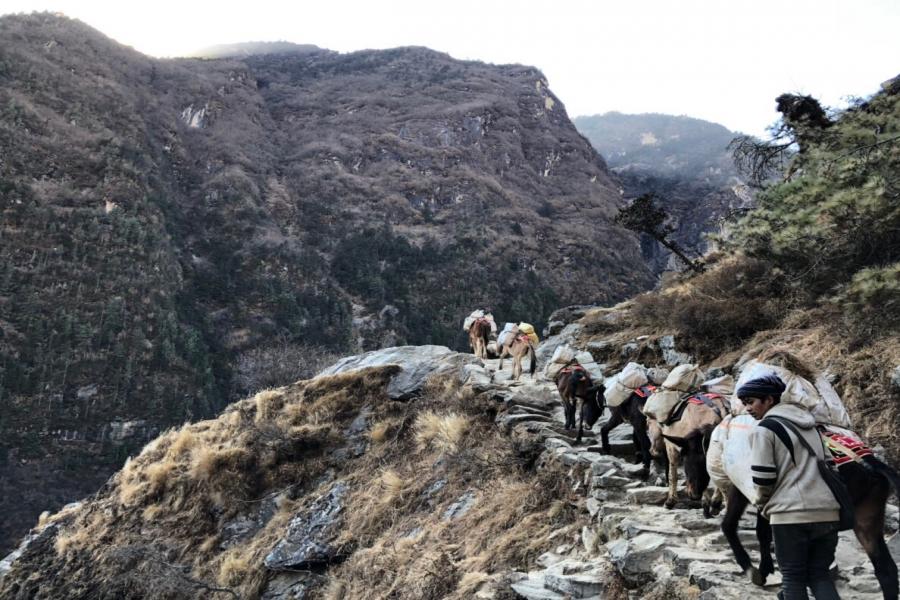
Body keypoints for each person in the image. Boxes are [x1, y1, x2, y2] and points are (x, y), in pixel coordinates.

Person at [739, 374, 840, 600]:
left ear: (769, 400)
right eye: (745, 403)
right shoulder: (811, 425)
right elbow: (830, 463)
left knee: (793, 578)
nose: (747, 408)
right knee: (820, 576)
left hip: (790, 515)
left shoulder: (764, 429)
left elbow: (764, 479)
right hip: (827, 512)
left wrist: (762, 503)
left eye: (751, 402)